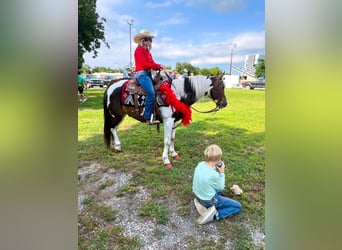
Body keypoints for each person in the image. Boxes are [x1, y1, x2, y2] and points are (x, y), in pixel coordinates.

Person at [192, 144, 242, 225]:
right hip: (208, 200)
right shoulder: (214, 175)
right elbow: (221, 187)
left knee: (215, 189)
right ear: (219, 158)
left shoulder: (200, 164)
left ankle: (200, 202)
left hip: (198, 195)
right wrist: (222, 172)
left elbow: (209, 176)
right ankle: (215, 215)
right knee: (238, 206)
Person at [133, 29, 166, 125]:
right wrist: (158, 66)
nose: (149, 41)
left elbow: (152, 63)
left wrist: (159, 66)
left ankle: (157, 112)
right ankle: (147, 117)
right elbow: (144, 64)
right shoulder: (139, 50)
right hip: (142, 74)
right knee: (151, 93)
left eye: (150, 40)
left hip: (148, 74)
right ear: (142, 40)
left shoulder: (147, 52)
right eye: (147, 39)